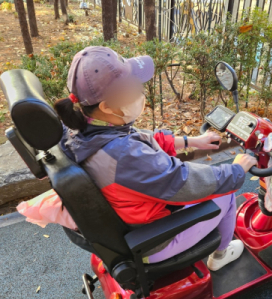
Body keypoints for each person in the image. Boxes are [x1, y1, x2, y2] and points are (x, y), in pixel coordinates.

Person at [54, 46, 257, 271]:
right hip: (154, 239)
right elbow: (181, 180)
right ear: (106, 106)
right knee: (226, 192)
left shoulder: (83, 129)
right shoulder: (124, 155)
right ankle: (221, 256)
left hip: (132, 218)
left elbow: (143, 140)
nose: (140, 89)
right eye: (132, 85)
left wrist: (191, 142)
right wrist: (236, 170)